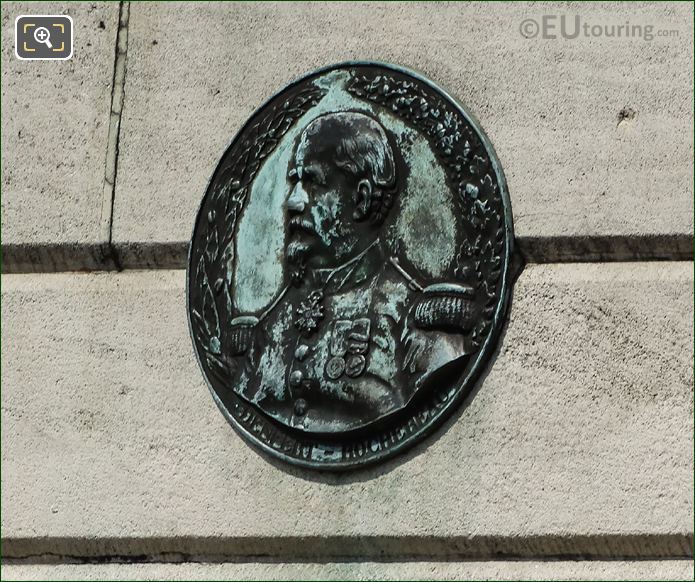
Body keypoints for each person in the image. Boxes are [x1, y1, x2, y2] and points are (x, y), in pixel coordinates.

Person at [227, 111, 477, 433]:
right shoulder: (264, 331)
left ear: (361, 199)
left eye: (314, 183)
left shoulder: (413, 323)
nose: (293, 201)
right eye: (294, 182)